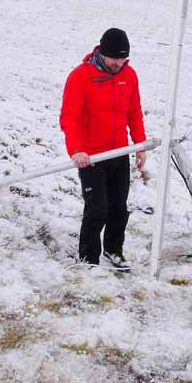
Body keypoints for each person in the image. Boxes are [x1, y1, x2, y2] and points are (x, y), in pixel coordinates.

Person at [59, 28, 147, 268]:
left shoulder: (129, 75)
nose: (119, 63)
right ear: (102, 53)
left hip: (119, 154)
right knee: (97, 209)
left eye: (123, 59)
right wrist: (77, 150)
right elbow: (69, 117)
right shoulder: (80, 77)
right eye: (114, 58)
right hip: (91, 157)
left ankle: (114, 250)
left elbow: (134, 112)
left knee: (119, 208)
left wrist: (139, 145)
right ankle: (88, 258)